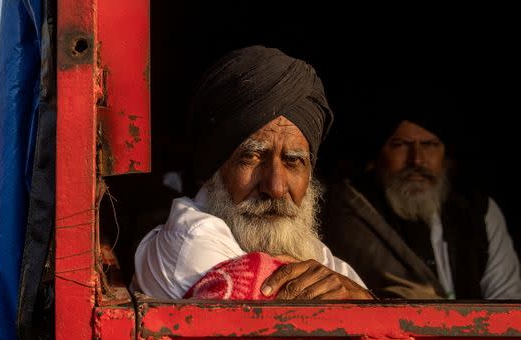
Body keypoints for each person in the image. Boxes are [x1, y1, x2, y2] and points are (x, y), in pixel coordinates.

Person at [135, 45, 372, 301]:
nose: (276, 187)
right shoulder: (191, 243)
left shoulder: (310, 250)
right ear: (216, 168)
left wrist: (362, 298)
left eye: (293, 161)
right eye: (252, 157)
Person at [321, 105, 521, 299]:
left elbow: (505, 299)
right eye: (400, 145)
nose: (416, 160)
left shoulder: (479, 210)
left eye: (429, 145)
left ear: (446, 155)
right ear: (378, 155)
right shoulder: (352, 209)